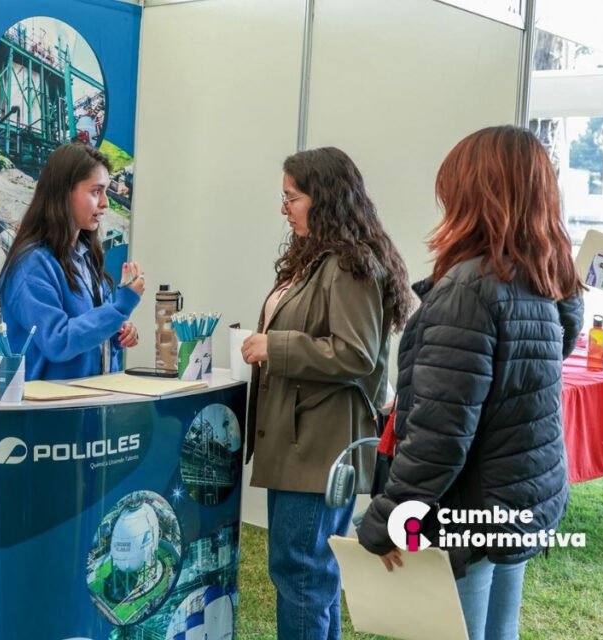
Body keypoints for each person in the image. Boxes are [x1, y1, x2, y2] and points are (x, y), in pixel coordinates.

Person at [357, 126, 584, 640]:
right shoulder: (545, 279)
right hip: (520, 498)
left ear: (476, 195)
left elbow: (441, 434)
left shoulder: (471, 289)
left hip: (474, 506)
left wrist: (391, 519)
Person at [241, 146, 413, 640]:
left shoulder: (349, 265)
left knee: (301, 572)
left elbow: (355, 354)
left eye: (292, 197)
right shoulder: (319, 258)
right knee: (309, 572)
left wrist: (276, 345)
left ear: (326, 199)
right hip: (304, 440)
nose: (284, 207)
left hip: (320, 444)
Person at [0, 143, 143, 380]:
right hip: (48, 412)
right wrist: (119, 308)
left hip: (92, 406)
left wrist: (117, 332)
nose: (105, 202)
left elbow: (88, 336)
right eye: (96, 191)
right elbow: (58, 341)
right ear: (65, 192)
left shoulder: (86, 258)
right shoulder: (31, 265)